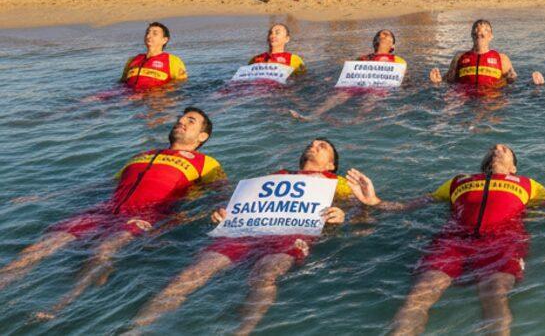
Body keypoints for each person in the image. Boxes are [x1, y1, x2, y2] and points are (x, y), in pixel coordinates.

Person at [346, 144, 545, 335]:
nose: (497, 149)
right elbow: (412, 205)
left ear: (514, 167)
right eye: (493, 149)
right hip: (452, 239)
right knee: (417, 298)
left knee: (494, 296)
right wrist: (374, 201)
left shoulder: (528, 185)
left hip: (502, 240)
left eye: (504, 149)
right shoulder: (457, 181)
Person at [128, 138, 378, 335]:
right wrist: (223, 213)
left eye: (321, 146)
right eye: (310, 144)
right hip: (245, 231)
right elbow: (239, 205)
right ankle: (135, 330)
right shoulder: (274, 176)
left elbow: (363, 214)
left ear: (331, 164)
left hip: (291, 233)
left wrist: (343, 214)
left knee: (265, 273)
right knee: (190, 274)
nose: (313, 146)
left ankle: (242, 331)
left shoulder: (338, 183)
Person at [0, 109, 222, 319]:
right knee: (46, 243)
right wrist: (44, 196)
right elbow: (104, 185)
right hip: (105, 209)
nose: (180, 121)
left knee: (104, 248)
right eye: (180, 118)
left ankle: (61, 304)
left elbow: (220, 192)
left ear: (202, 136)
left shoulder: (206, 163)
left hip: (147, 213)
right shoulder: (144, 154)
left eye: (190, 121)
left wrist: (221, 211)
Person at [429, 19, 520, 88]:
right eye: (476, 34)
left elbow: (512, 80)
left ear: (491, 36)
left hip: (491, 97)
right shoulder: (459, 57)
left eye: (483, 33)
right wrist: (438, 82)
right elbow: (449, 80)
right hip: (464, 98)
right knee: (449, 109)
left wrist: (532, 85)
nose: (479, 33)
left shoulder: (501, 58)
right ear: (472, 35)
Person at [121, 21, 188, 90]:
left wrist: (159, 91)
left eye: (154, 34)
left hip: (155, 98)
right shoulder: (132, 60)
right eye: (147, 33)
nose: (148, 36)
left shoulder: (173, 61)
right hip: (128, 97)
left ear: (164, 40)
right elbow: (122, 83)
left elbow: (182, 83)